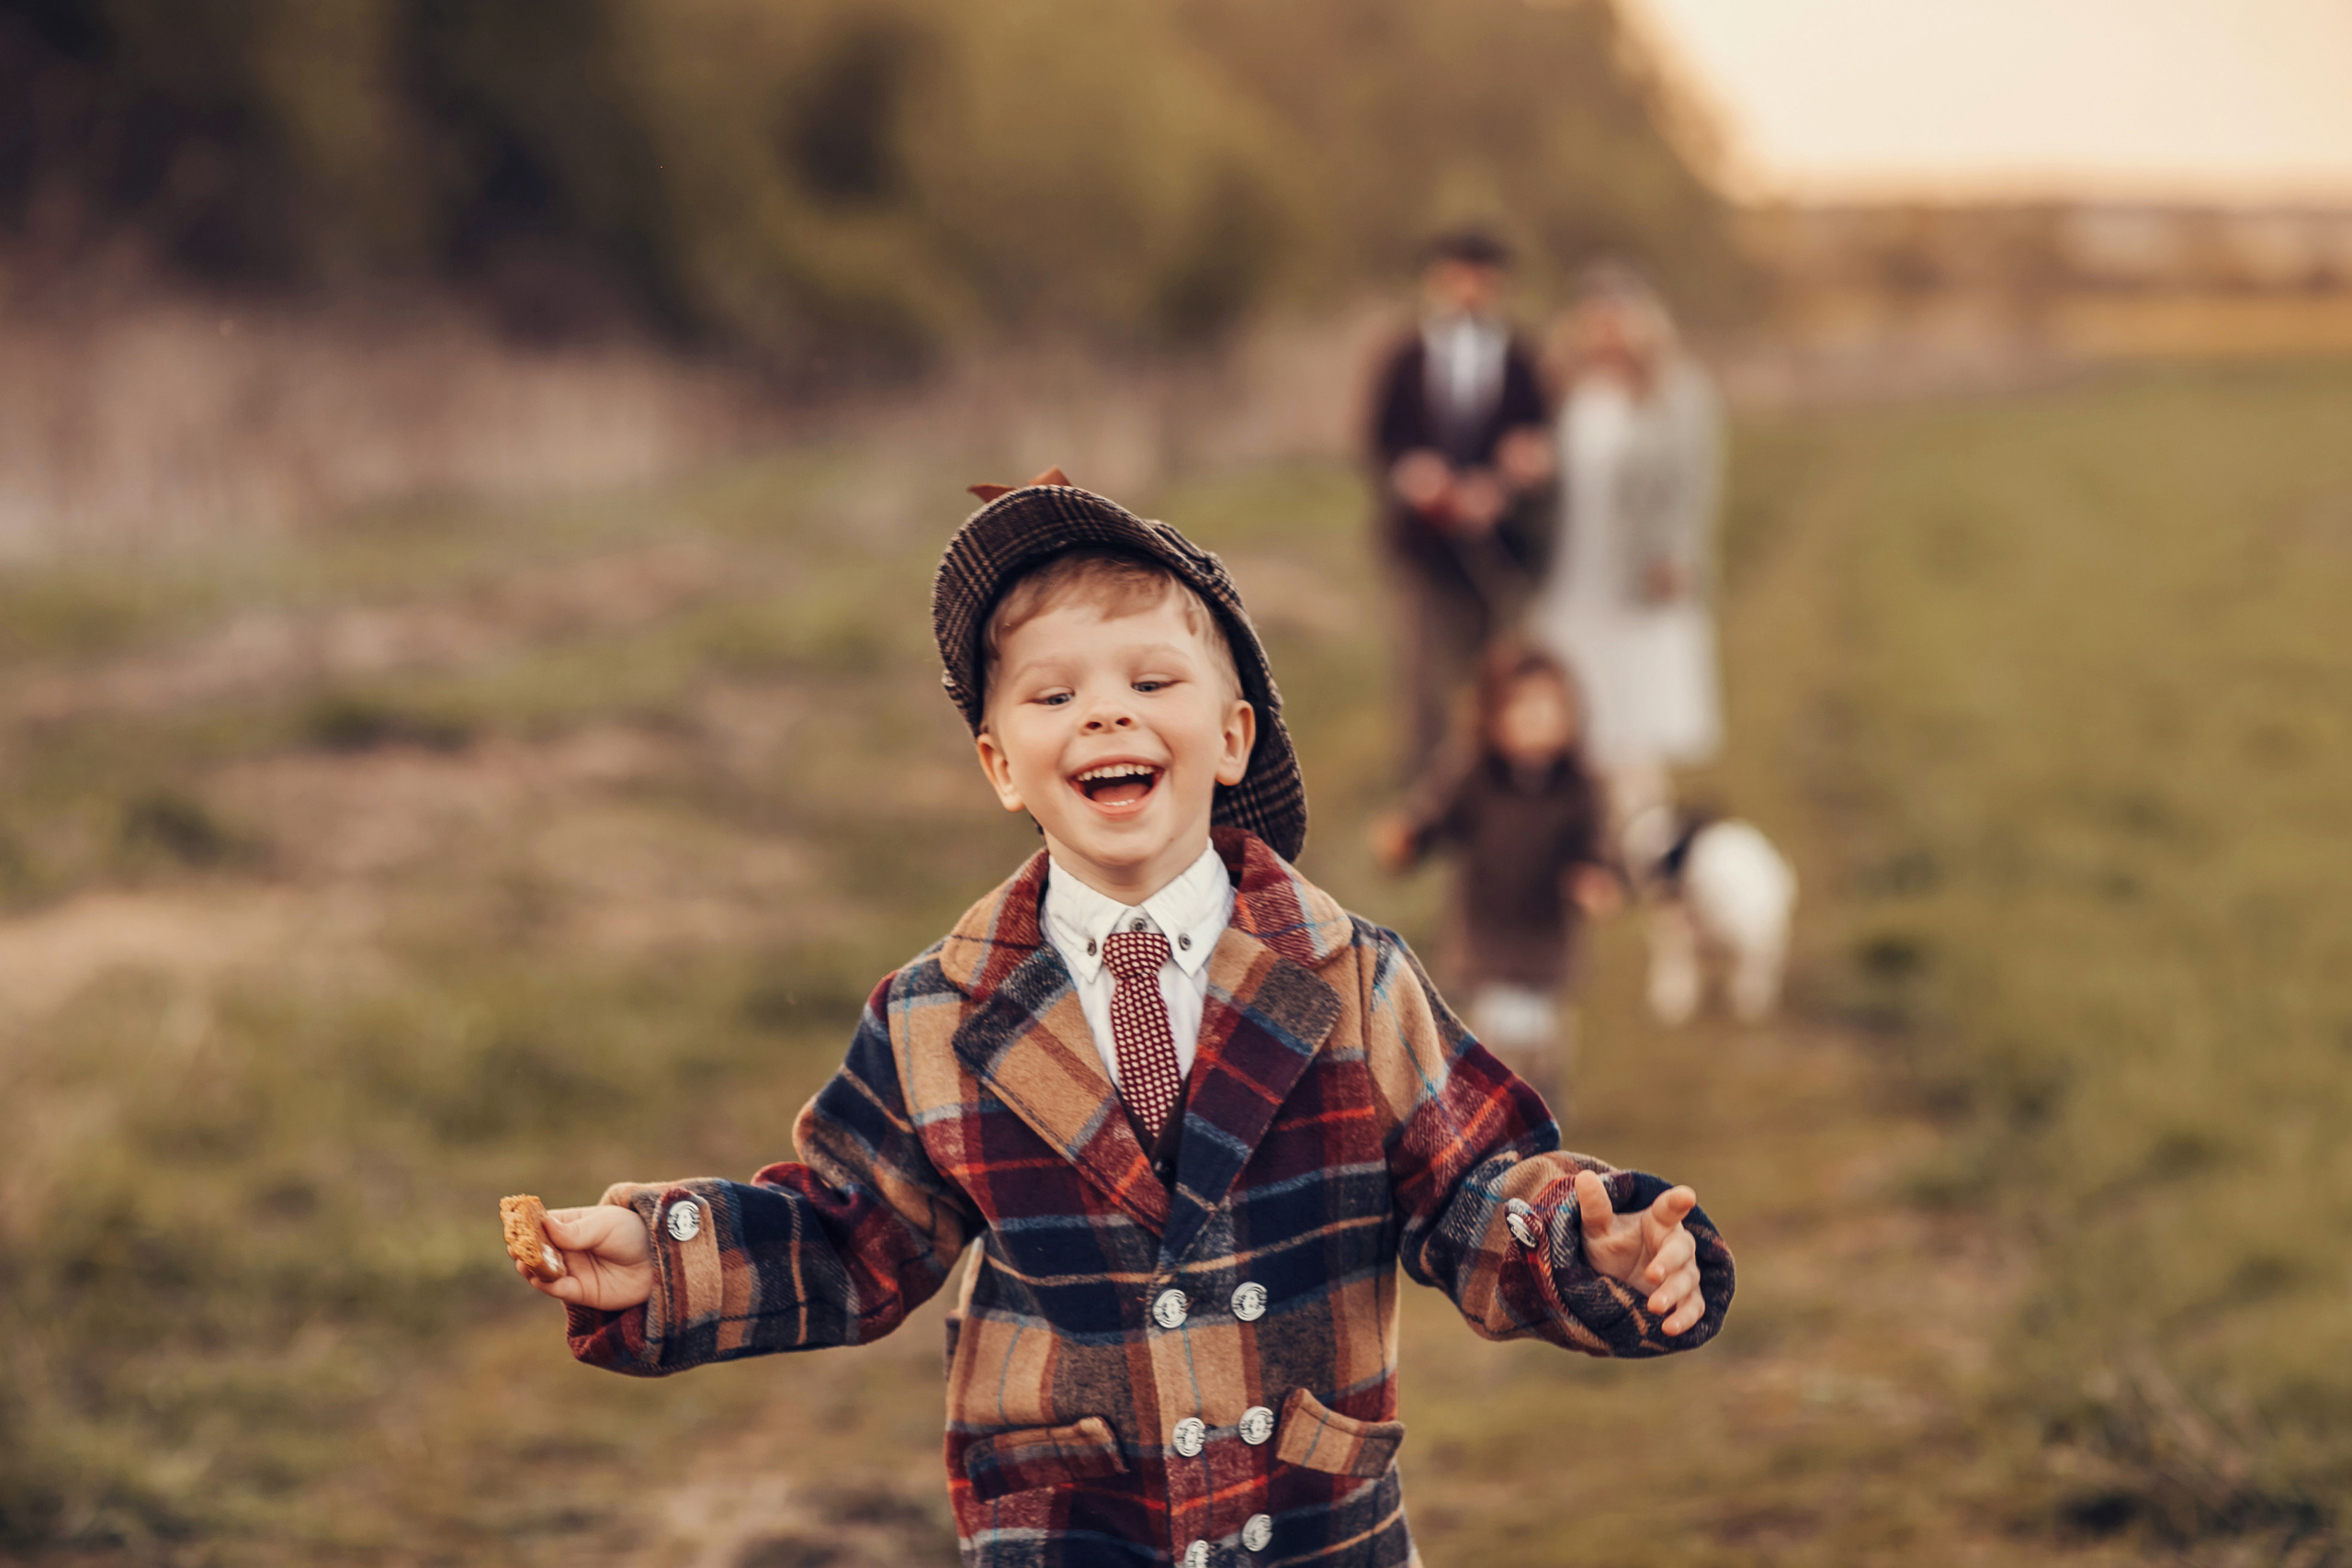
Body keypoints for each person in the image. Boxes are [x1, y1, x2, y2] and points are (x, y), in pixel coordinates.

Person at [514, 474, 1736, 1568]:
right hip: (1071, 1528)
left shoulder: (1350, 977)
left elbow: (1473, 1192)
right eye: (1056, 694)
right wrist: (663, 1253)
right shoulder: (937, 1015)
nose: (1106, 714)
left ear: (1230, 732)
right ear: (1001, 762)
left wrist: (1589, 1247)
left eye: (1152, 681)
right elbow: (848, 1237)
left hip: (1309, 1526)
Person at [1371, 643, 1620, 1114]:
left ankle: (1545, 1108)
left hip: (1547, 934)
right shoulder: (1474, 775)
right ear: (1491, 714)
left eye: (1549, 707)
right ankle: (1491, 1116)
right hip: (1486, 927)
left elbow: (1598, 842)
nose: (1537, 719)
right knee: (1494, 1035)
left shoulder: (1579, 784)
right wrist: (1408, 841)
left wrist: (1597, 878)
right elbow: (1435, 817)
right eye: (1521, 706)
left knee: (1546, 1034)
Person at [1527, 263, 1724, 831]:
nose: (1608, 330)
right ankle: (1587, 840)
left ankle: (1646, 837)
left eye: (1619, 317)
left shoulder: (1676, 391)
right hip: (1572, 571)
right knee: (1579, 711)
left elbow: (1695, 482)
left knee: (1637, 722)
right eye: (1597, 318)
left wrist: (1680, 553)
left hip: (1639, 573)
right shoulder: (1567, 390)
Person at [1369, 229, 1555, 780]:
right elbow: (1382, 439)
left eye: (1481, 276)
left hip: (1498, 542)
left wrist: (1504, 484)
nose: (1469, 287)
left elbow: (1537, 439)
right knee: (1421, 667)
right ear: (1440, 280)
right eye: (1459, 275)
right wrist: (1417, 478)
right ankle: (1423, 775)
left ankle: (1490, 762)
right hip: (1424, 542)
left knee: (1491, 663)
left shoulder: (1522, 358)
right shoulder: (1404, 355)